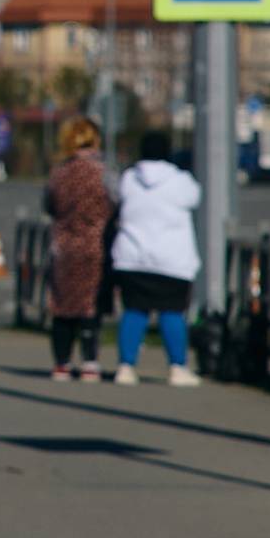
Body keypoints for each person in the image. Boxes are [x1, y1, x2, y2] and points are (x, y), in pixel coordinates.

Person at [110, 131, 202, 388]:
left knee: (134, 311)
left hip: (132, 257)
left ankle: (126, 367)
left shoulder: (129, 178)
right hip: (172, 260)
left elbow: (117, 200)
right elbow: (195, 198)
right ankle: (177, 367)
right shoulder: (180, 181)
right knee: (171, 313)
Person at [43, 118, 115, 383]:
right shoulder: (102, 171)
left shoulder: (59, 173)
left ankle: (61, 362)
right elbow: (116, 201)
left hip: (63, 246)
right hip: (95, 245)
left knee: (62, 305)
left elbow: (49, 204)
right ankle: (90, 362)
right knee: (90, 306)